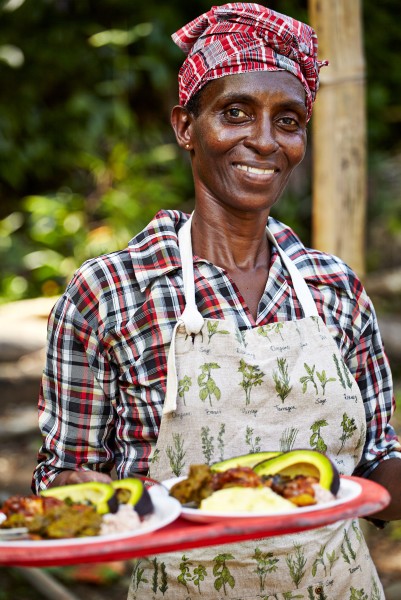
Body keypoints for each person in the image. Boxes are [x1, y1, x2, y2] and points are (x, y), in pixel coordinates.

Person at [33, 3, 401, 598]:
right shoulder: (110, 293)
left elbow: (376, 465)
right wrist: (73, 495)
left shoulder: (336, 288)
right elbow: (65, 481)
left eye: (288, 121)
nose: (264, 140)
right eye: (235, 113)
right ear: (185, 125)